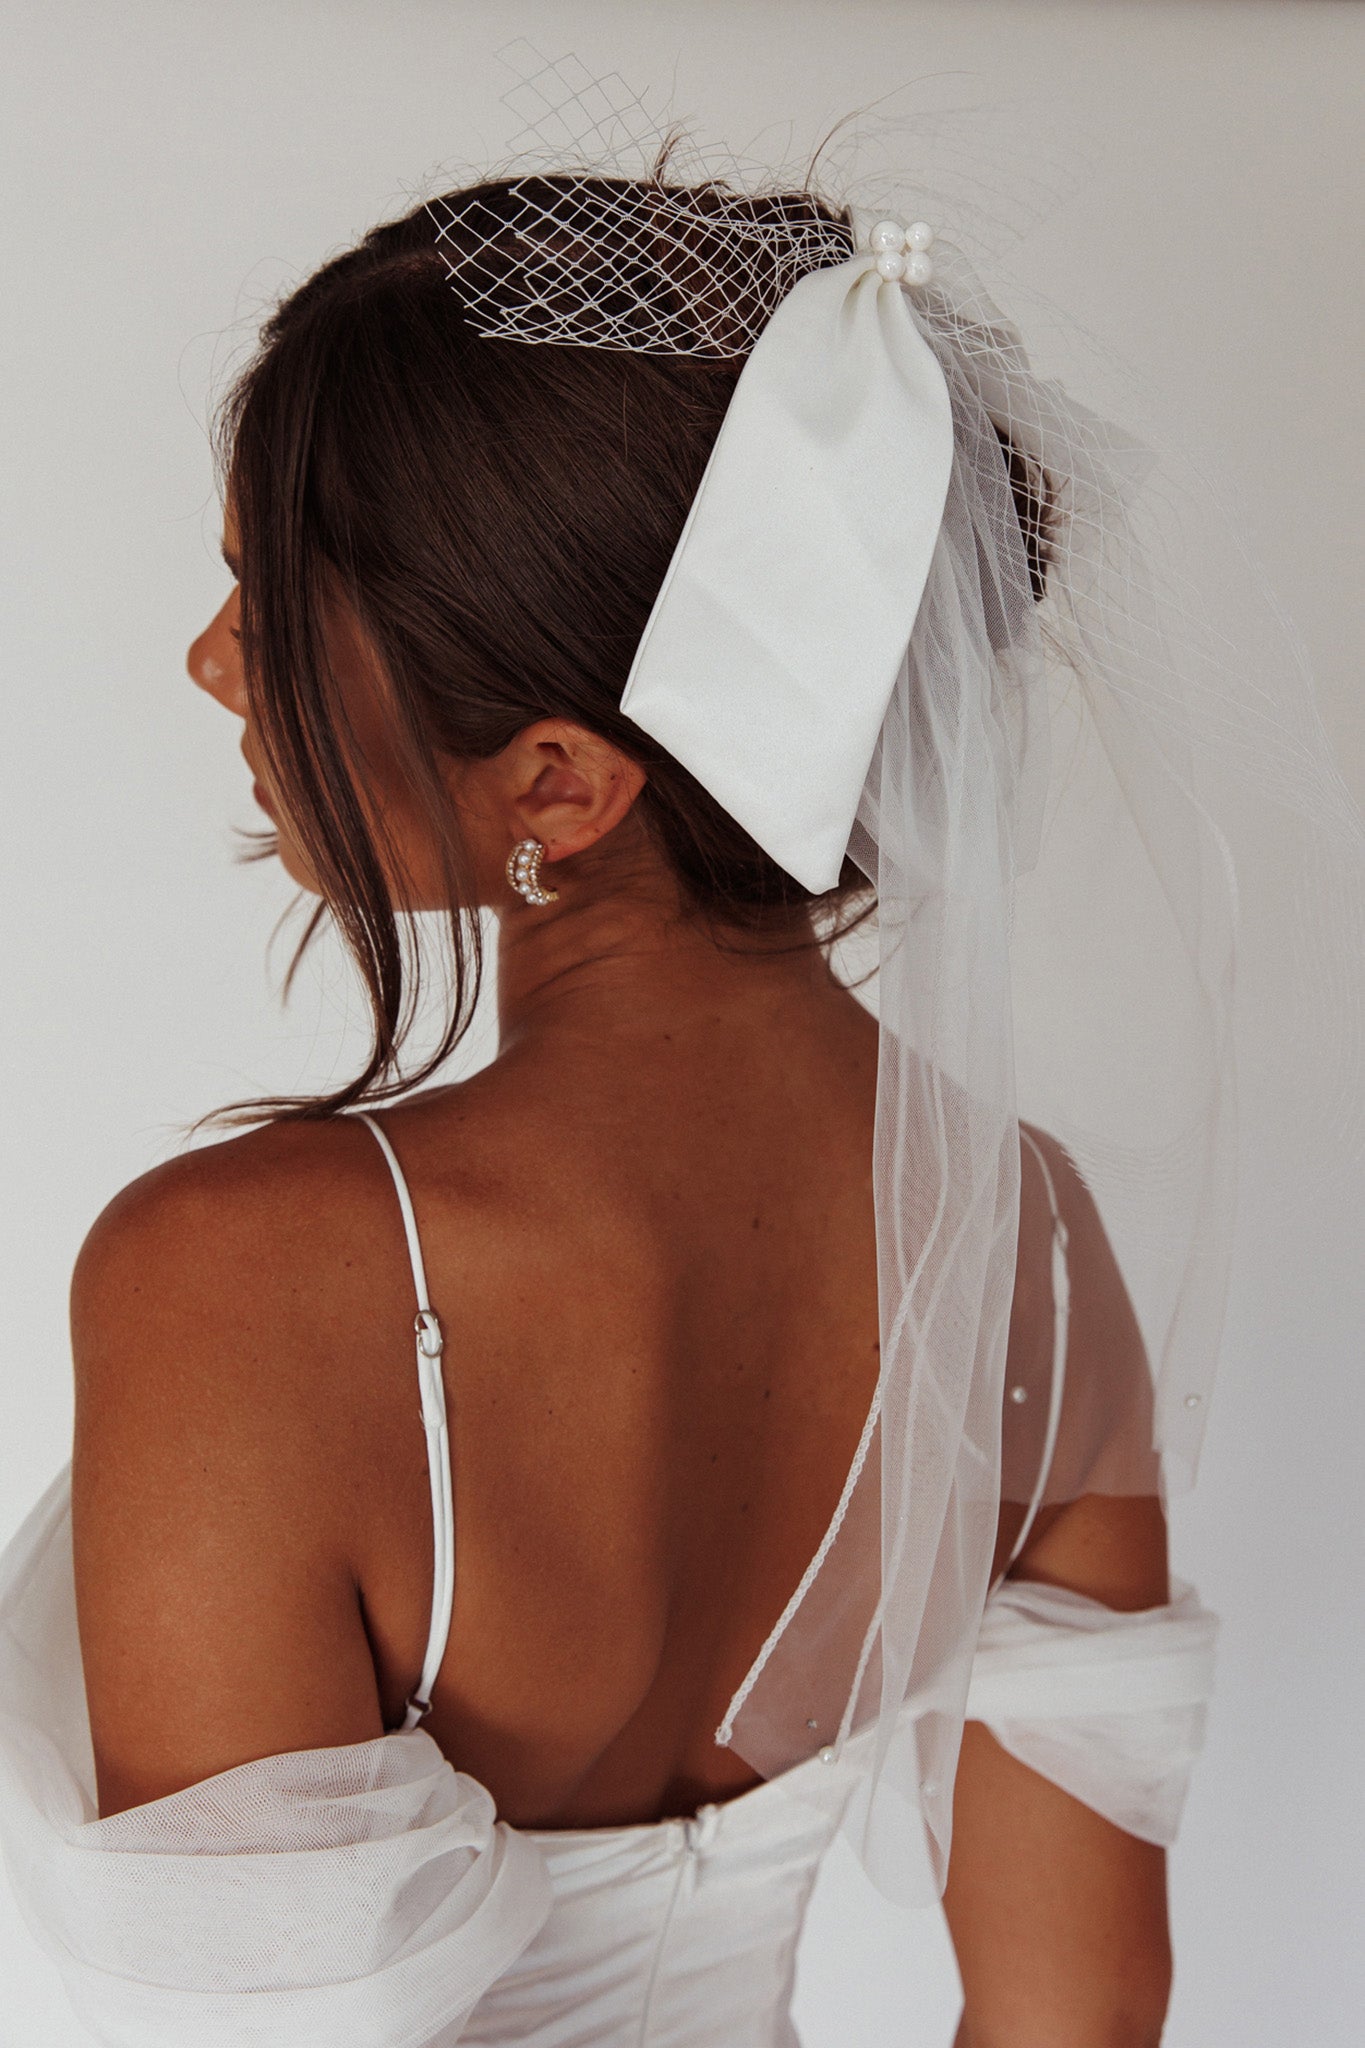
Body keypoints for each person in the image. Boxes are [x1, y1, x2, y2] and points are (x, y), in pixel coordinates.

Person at [4, 105, 1322, 2047]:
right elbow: (1079, 2015)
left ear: (558, 783)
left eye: (269, 599)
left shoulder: (243, 1274)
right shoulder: (1023, 1248)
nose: (217, 663)